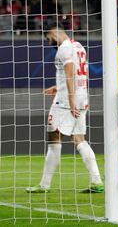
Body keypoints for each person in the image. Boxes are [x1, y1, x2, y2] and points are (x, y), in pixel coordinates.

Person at [26, 22, 104, 193]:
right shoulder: (79, 46)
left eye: (48, 39)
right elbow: (79, 73)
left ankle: (44, 185)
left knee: (53, 136)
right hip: (82, 96)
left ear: (54, 33)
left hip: (67, 101)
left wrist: (70, 100)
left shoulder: (64, 48)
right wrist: (58, 87)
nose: (48, 43)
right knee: (79, 139)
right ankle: (97, 182)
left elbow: (70, 73)